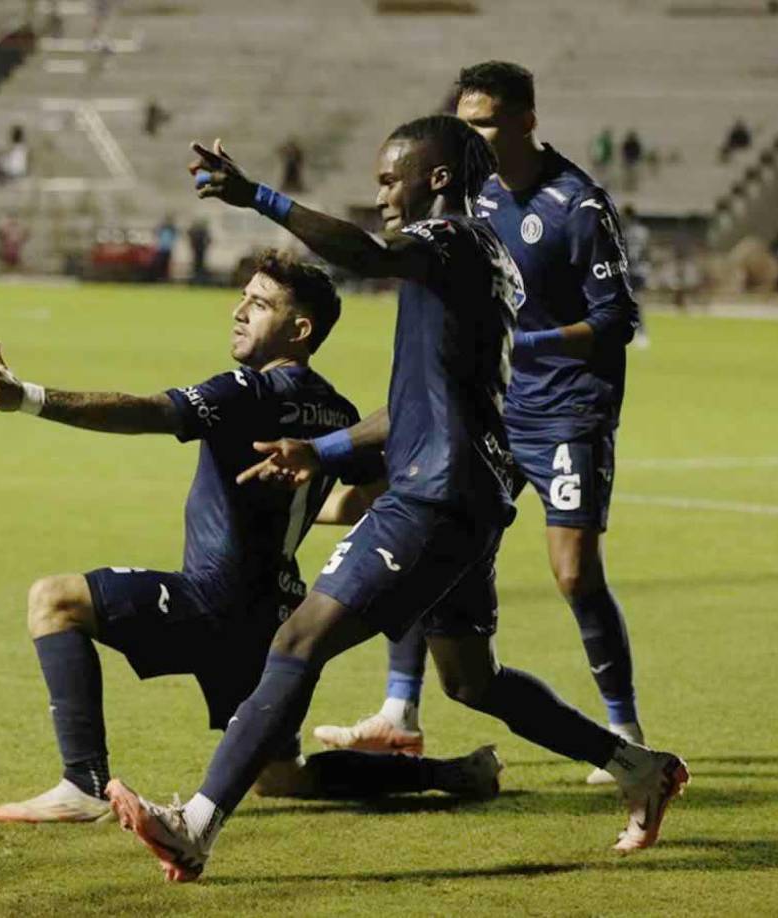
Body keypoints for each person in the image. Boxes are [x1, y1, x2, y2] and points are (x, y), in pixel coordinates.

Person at [106, 116, 689, 881]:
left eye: (390, 179)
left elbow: (365, 254)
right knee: (471, 680)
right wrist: (323, 450)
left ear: (436, 180)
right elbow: (416, 408)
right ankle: (639, 767)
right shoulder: (476, 264)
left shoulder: (448, 244)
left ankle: (196, 825)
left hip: (432, 499)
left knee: (297, 642)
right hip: (466, 494)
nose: (381, 193)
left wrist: (258, 197)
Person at [0, 252, 499, 825]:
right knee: (282, 778)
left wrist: (31, 398)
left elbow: (148, 412)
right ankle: (449, 774)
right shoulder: (338, 412)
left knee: (54, 600)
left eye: (259, 304)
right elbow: (363, 497)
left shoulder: (248, 391)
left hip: (214, 600)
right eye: (243, 298)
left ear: (300, 328)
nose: (238, 312)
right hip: (279, 622)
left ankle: (83, 782)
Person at [317, 61, 653, 784]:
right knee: (427, 539)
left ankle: (624, 725)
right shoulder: (471, 202)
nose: (474, 134)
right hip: (492, 412)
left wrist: (528, 341)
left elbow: (618, 318)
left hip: (566, 410)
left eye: (488, 121)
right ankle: (399, 711)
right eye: (465, 121)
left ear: (528, 121)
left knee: (573, 572)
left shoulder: (577, 205)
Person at [187, 218, 212, 284]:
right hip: (199, 250)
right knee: (198, 265)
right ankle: (198, 278)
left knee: (198, 265)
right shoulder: (201, 232)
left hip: (199, 250)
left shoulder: (198, 231)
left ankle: (198, 278)